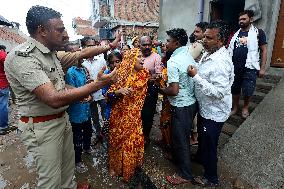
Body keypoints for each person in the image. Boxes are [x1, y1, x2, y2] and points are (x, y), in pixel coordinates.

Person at [4, 5, 117, 189]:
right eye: (60, 29)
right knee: (50, 181)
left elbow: (75, 62)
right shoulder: (23, 57)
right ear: (42, 31)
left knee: (67, 172)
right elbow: (53, 97)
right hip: (42, 126)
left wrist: (109, 47)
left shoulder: (51, 54)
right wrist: (97, 85)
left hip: (61, 120)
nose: (65, 34)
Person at [188, 21, 234, 187]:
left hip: (214, 113)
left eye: (209, 38)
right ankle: (200, 158)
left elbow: (219, 92)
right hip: (205, 108)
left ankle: (211, 178)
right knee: (203, 137)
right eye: (204, 37)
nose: (204, 41)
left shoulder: (220, 62)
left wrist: (196, 77)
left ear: (220, 41)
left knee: (209, 143)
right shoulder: (210, 52)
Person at [160, 28, 196, 185]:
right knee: (179, 136)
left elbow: (174, 90)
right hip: (190, 103)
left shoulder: (174, 61)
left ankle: (185, 174)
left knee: (181, 140)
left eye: (168, 41)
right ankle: (177, 158)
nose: (165, 43)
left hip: (181, 105)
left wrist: (160, 88)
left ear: (176, 42)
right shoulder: (187, 54)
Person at [107, 48, 149, 182]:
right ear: (131, 59)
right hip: (119, 117)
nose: (143, 59)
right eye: (139, 57)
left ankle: (129, 168)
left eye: (143, 57)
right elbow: (108, 96)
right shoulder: (120, 75)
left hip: (134, 117)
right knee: (117, 143)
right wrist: (119, 92)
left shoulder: (144, 75)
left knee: (132, 143)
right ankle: (116, 167)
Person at [228, 10, 267, 118]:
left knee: (248, 89)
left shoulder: (258, 33)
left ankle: (245, 107)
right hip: (235, 67)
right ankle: (235, 107)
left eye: (244, 19)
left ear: (251, 19)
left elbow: (264, 50)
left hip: (250, 67)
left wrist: (262, 68)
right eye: (240, 19)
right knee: (234, 89)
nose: (241, 21)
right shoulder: (235, 34)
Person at [65, 61, 93, 174]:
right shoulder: (70, 72)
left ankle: (87, 148)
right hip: (76, 112)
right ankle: (77, 161)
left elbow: (88, 86)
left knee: (88, 131)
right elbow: (71, 92)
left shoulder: (84, 69)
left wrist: (89, 95)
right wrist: (85, 95)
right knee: (77, 138)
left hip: (86, 110)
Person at [81, 37, 108, 142]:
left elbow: (106, 75)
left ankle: (106, 132)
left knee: (105, 114)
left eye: (93, 45)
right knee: (94, 117)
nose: (92, 48)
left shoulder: (101, 59)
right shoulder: (82, 62)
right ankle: (98, 134)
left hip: (102, 93)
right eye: (89, 46)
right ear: (84, 47)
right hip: (89, 95)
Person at [140, 36, 163, 146]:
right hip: (136, 90)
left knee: (147, 115)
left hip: (150, 90)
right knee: (137, 114)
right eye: (144, 44)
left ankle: (146, 137)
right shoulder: (135, 55)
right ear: (140, 45)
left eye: (149, 44)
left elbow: (158, 76)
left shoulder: (156, 57)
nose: (147, 47)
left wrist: (149, 79)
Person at [101, 51, 123, 148]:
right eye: (112, 62)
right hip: (110, 107)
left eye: (117, 61)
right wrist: (116, 93)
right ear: (108, 63)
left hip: (124, 108)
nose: (114, 65)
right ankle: (107, 143)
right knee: (109, 128)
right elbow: (104, 93)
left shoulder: (126, 73)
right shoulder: (107, 74)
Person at [0, 45, 8, 135]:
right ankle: (2, 127)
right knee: (3, 105)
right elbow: (9, 68)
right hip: (2, 84)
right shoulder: (2, 55)